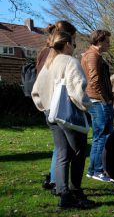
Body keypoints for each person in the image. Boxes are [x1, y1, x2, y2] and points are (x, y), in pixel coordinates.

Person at [31, 31, 95, 208]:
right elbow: (78, 91)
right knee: (78, 153)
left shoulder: (49, 64)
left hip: (51, 114)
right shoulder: (70, 62)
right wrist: (87, 106)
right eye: (74, 44)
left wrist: (45, 107)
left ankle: (64, 195)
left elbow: (35, 91)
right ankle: (75, 193)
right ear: (67, 44)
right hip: (68, 115)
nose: (74, 47)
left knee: (61, 154)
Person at [36, 20, 78, 192]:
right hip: (57, 106)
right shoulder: (54, 55)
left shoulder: (46, 53)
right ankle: (58, 182)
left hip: (50, 105)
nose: (74, 44)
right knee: (65, 150)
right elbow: (43, 83)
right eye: (73, 40)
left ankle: (57, 182)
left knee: (60, 148)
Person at [81, 29, 114, 182]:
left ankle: (93, 169)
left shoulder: (92, 55)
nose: (109, 44)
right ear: (99, 41)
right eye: (107, 41)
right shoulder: (92, 56)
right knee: (102, 136)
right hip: (97, 100)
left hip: (96, 100)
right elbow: (94, 80)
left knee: (99, 136)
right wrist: (104, 99)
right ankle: (98, 170)